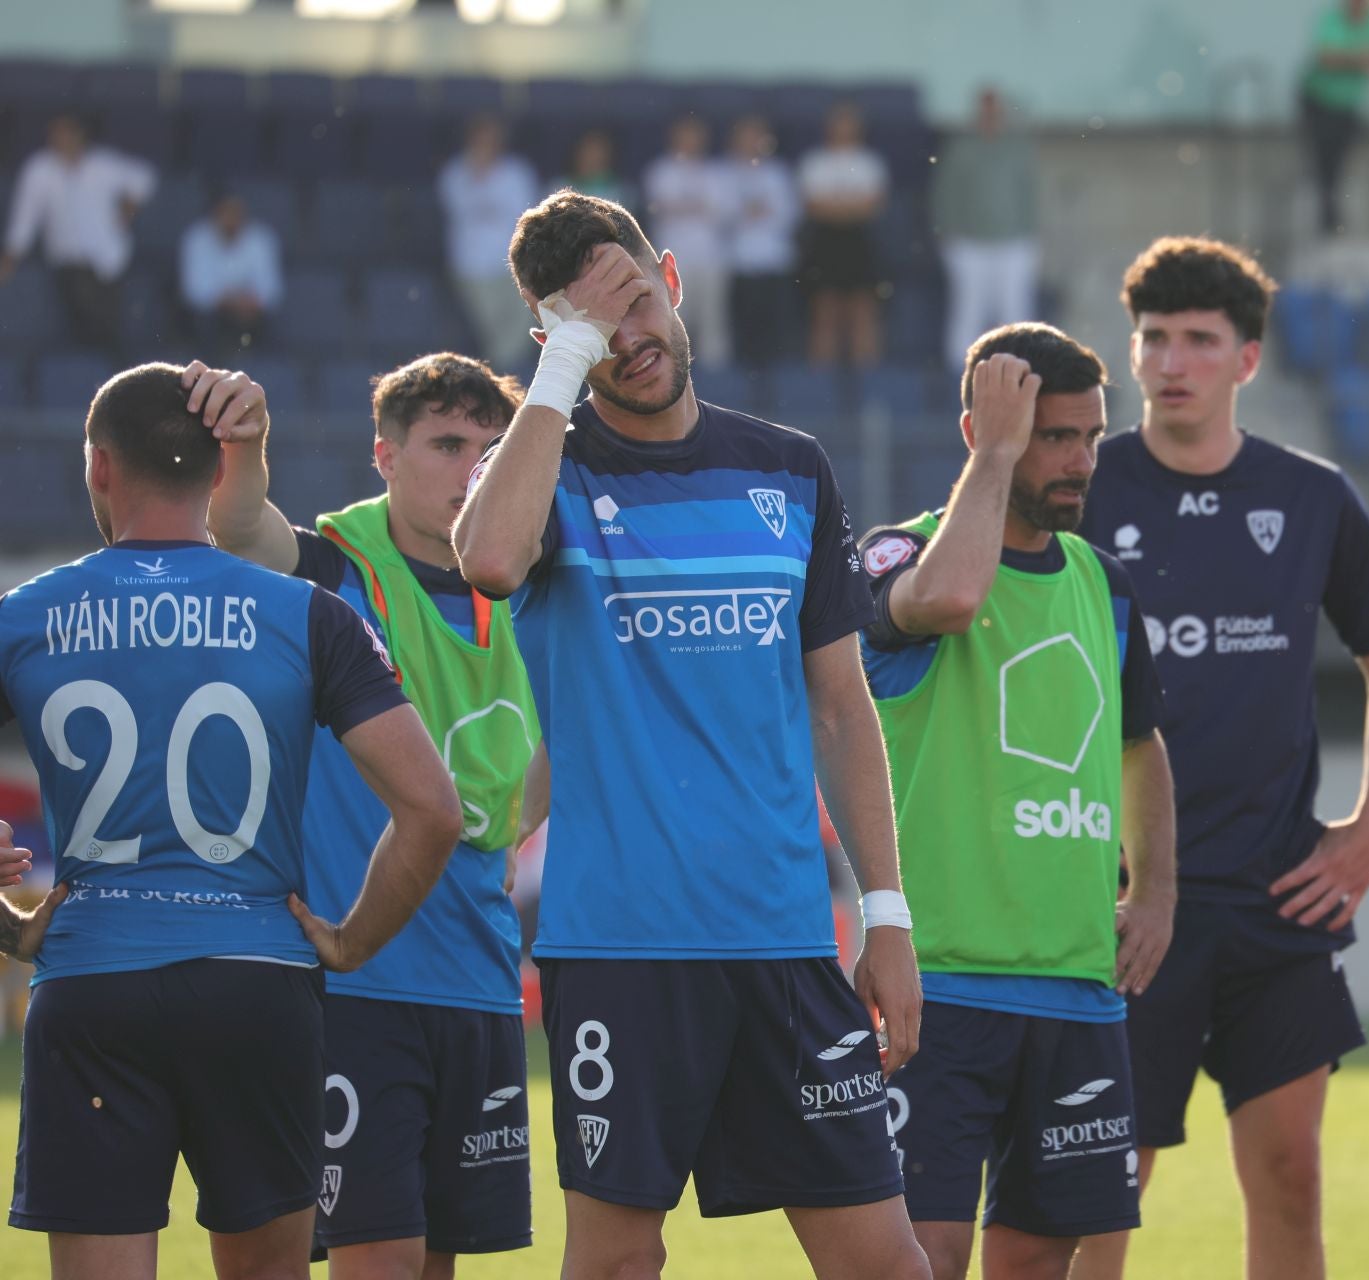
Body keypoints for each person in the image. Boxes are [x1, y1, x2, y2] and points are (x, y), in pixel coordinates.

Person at [451, 191, 932, 1280]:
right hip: (619, 950)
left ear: (669, 278)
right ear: (552, 343)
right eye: (587, 328)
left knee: (886, 1262)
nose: (629, 340)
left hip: (785, 940)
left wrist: (888, 912)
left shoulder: (790, 466)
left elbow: (840, 708)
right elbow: (485, 561)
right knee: (619, 1260)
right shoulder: (545, 469)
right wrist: (554, 379)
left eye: (631, 301)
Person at [0, 361, 463, 1280]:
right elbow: (433, 809)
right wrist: (350, 941)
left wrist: (8, 927)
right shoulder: (308, 613)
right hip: (259, 986)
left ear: (99, 468)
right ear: (218, 472)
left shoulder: (27, 617)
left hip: (93, 983)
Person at [1072, 237, 1369, 1280]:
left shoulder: (1312, 496)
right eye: (1152, 338)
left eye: (1197, 339)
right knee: (1101, 1192)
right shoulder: (1083, 491)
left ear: (1248, 359)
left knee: (1290, 1176)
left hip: (1277, 903)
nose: (1171, 360)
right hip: (1127, 906)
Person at [201, 352, 541, 1277]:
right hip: (353, 986)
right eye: (445, 444)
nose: (472, 466)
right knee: (377, 1258)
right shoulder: (330, 568)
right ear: (384, 457)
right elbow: (239, 529)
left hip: (478, 982)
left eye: (490, 447)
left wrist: (509, 829)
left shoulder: (525, 589)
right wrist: (248, 447)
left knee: (436, 1261)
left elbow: (554, 750)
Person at [857, 324, 1175, 1280]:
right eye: (1051, 438)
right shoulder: (892, 555)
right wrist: (996, 454)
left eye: (1090, 436)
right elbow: (950, 600)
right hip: (939, 987)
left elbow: (1140, 745)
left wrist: (1156, 887)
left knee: (1042, 1255)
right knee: (924, 1255)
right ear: (982, 432)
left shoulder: (1102, 585)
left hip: (1078, 989)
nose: (1080, 462)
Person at [0, 113, 155, 353]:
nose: (59, 139)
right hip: (70, 267)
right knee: (89, 307)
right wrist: (10, 257)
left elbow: (145, 177)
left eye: (65, 133)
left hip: (113, 261)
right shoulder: (39, 170)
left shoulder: (104, 164)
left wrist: (128, 207)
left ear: (79, 134)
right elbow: (24, 220)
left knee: (122, 312)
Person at [933, 89, 1040, 372]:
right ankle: (961, 373)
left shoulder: (1017, 147)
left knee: (1014, 310)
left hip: (1012, 241)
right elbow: (946, 194)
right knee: (969, 309)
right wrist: (949, 234)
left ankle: (1020, 369)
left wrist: (1028, 235)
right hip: (969, 243)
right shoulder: (961, 148)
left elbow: (1027, 193)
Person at [1296, 0, 1369, 236]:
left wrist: (1349, 58)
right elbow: (1326, 57)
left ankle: (1336, 216)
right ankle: (1327, 217)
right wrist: (1362, 59)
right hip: (1319, 100)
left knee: (1343, 158)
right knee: (1325, 159)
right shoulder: (1332, 18)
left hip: (1350, 105)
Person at [439, 115, 540, 371]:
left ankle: (496, 376)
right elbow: (457, 208)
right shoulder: (455, 173)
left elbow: (526, 215)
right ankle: (499, 378)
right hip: (471, 268)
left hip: (514, 265)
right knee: (491, 330)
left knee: (523, 321)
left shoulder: (517, 172)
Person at [798, 102, 888, 367]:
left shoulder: (870, 162)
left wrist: (836, 206)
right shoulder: (815, 162)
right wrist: (850, 206)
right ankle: (821, 387)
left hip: (859, 242)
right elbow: (813, 206)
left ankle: (867, 387)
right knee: (825, 312)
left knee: (863, 312)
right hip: (825, 242)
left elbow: (874, 205)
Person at [644, 115, 732, 367]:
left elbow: (724, 213)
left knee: (712, 321)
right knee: (672, 320)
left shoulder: (717, 172)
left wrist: (687, 207)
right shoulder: (661, 170)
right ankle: (670, 375)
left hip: (711, 257)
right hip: (673, 259)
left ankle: (716, 382)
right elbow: (661, 207)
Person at [719, 114, 801, 369]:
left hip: (774, 260)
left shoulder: (778, 173)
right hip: (737, 262)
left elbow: (789, 215)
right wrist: (750, 211)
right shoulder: (722, 172)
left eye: (757, 137)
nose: (751, 143)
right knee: (743, 329)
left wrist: (751, 212)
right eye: (746, 137)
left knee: (775, 329)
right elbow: (719, 215)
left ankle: (774, 380)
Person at [179, 190, 283, 359]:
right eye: (226, 213)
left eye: (235, 213)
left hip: (251, 317)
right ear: (215, 213)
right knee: (204, 324)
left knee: (259, 326)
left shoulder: (261, 239)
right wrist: (228, 300)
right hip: (211, 318)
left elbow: (271, 291)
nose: (231, 219)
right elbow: (195, 291)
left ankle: (255, 366)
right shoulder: (197, 238)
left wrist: (248, 302)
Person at [564, 128, 626, 202]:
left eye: (598, 153)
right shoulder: (559, 186)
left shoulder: (623, 191)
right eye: (588, 152)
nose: (593, 157)